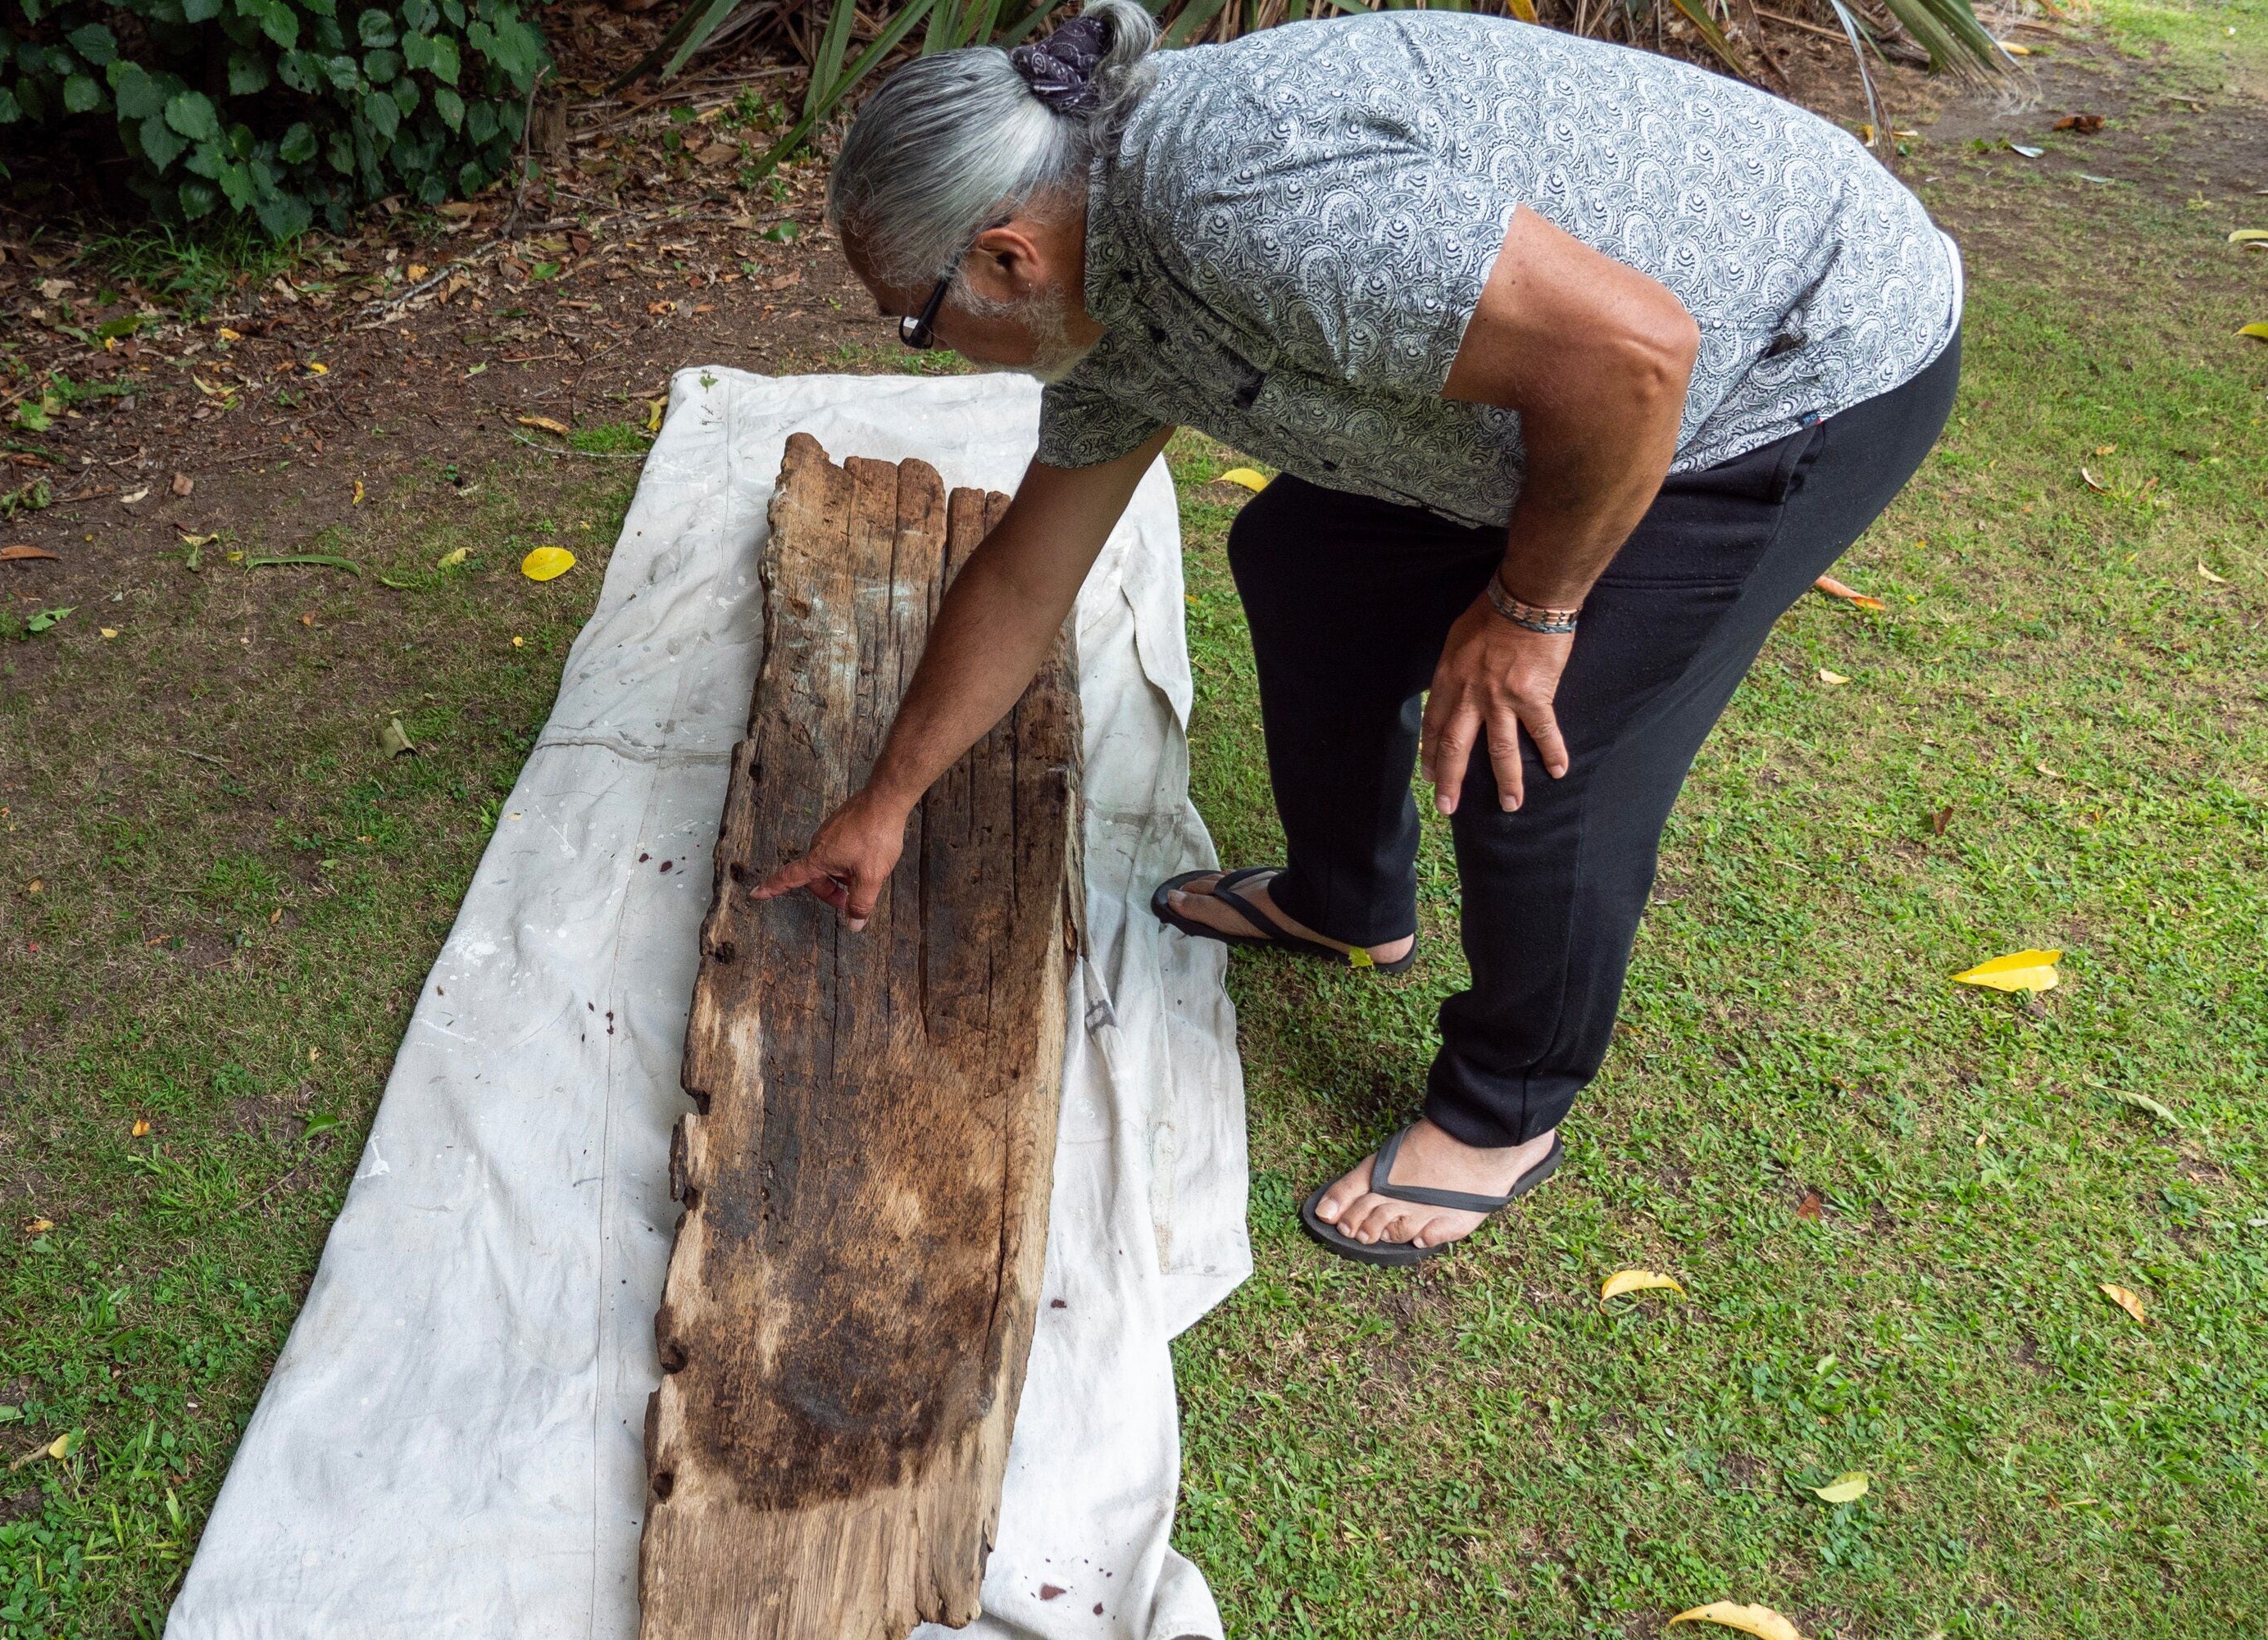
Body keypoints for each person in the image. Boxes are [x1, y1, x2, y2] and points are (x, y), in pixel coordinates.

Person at [754, 0, 1961, 1265]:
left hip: (1783, 363)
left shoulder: (1241, 201)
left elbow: (1637, 356)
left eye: (917, 318)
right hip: (1581, 374)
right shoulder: (1108, 292)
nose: (932, 351)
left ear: (1007, 260)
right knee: (1307, 557)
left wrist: (1527, 614)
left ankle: (1506, 1108)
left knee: (1540, 747)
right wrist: (886, 799)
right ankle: (1348, 903)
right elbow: (1025, 577)